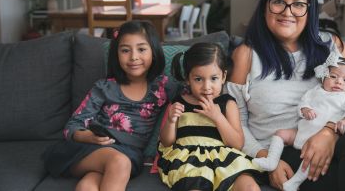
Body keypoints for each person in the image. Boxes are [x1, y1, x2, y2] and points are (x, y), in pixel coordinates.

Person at [227, 0, 345, 190]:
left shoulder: (332, 46)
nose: (287, 12)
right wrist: (268, 160)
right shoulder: (246, 55)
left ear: (310, 10)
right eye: (278, 2)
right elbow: (236, 123)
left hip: (333, 142)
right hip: (282, 153)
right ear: (265, 7)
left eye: (298, 4)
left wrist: (330, 132)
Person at [43, 20, 169, 191]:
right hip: (89, 148)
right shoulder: (104, 87)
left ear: (154, 52)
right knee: (118, 162)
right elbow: (72, 126)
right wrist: (88, 137)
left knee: (87, 186)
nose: (133, 57)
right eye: (125, 50)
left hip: (129, 154)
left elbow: (192, 92)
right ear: (116, 54)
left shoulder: (162, 86)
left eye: (141, 49)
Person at [252, 53, 345, 191]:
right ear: (323, 78)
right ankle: (271, 160)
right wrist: (305, 110)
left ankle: (295, 182)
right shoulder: (316, 90)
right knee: (281, 133)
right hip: (302, 132)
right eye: (333, 77)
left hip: (325, 141)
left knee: (315, 157)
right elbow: (304, 102)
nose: (339, 82)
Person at [157, 42, 262, 191]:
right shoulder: (179, 103)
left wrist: (218, 117)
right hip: (190, 163)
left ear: (223, 76)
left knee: (250, 187)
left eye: (213, 78)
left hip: (224, 161)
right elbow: (167, 142)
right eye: (198, 79)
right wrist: (170, 120)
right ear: (188, 79)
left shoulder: (227, 104)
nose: (207, 86)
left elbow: (237, 144)